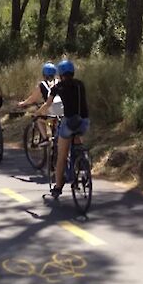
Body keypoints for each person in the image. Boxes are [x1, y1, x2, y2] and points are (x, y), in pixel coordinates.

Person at [37, 60, 88, 199]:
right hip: (84, 121)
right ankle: (81, 163)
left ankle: (58, 187)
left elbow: (47, 105)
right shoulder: (80, 84)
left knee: (62, 155)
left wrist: (38, 113)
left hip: (69, 122)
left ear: (60, 73)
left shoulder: (58, 87)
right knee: (77, 139)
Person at [17, 62, 63, 138]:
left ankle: (45, 138)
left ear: (43, 73)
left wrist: (23, 103)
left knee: (38, 119)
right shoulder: (59, 82)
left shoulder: (42, 84)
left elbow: (33, 99)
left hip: (51, 108)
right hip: (62, 108)